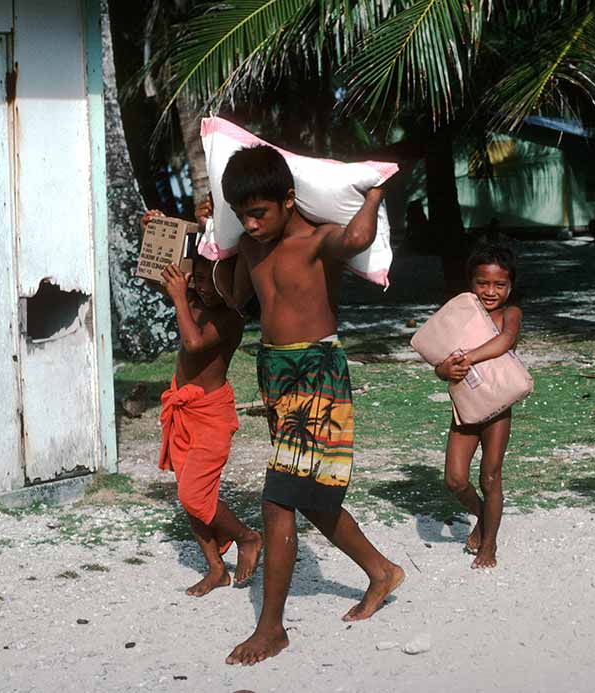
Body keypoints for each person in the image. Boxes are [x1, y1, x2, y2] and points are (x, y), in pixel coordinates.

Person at [203, 146, 404, 665]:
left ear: (289, 200)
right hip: (274, 370)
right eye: (242, 215)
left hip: (317, 372)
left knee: (278, 500)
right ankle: (382, 571)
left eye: (260, 213)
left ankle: (271, 629)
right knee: (310, 496)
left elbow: (358, 237)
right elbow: (234, 298)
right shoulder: (251, 247)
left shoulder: (316, 241)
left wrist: (375, 189)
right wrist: (215, 246)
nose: (251, 223)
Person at [141, 210, 262, 597]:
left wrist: (180, 296)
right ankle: (215, 569)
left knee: (193, 495)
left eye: (216, 280)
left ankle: (247, 537)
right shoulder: (192, 295)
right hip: (182, 407)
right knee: (194, 496)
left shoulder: (230, 318)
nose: (205, 288)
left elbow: (194, 342)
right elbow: (161, 274)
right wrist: (155, 231)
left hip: (210, 413)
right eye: (200, 276)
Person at [434, 244, 522, 569]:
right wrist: (443, 370)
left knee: (490, 477)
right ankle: (484, 515)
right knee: (455, 479)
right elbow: (439, 355)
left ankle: (490, 544)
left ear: (511, 286)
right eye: (483, 283)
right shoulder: (461, 314)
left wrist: (468, 358)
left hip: (498, 407)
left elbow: (504, 342)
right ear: (471, 281)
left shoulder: (511, 313)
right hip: (465, 406)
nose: (490, 291)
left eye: (499, 284)